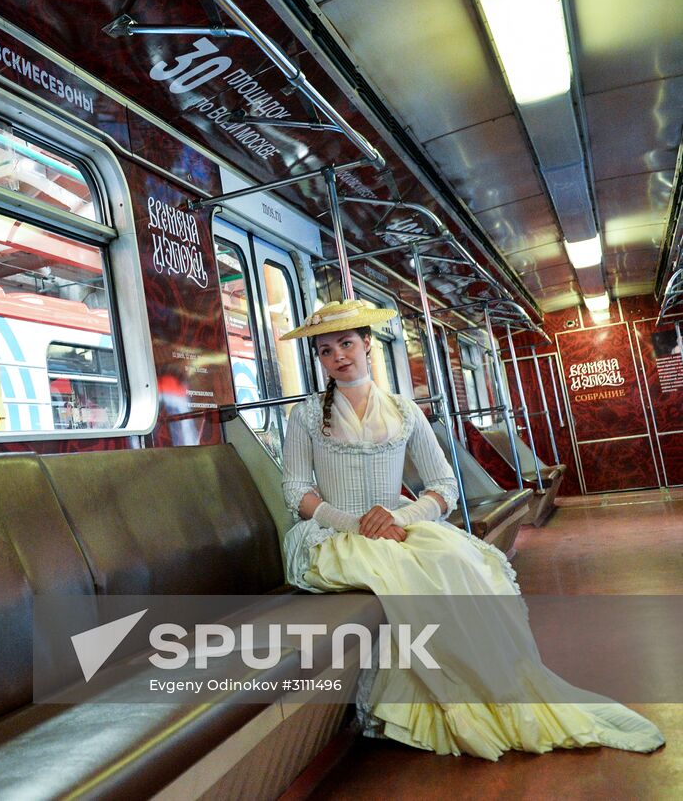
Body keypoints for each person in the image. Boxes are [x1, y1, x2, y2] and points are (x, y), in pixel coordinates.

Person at [278, 298, 663, 760]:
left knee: (459, 563)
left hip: (397, 525)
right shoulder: (304, 417)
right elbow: (296, 489)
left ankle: (494, 685)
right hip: (334, 536)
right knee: (407, 576)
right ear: (319, 359)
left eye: (346, 343)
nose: (338, 356)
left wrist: (399, 518)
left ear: (367, 345)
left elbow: (443, 486)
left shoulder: (405, 412)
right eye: (325, 350)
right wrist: (353, 523)